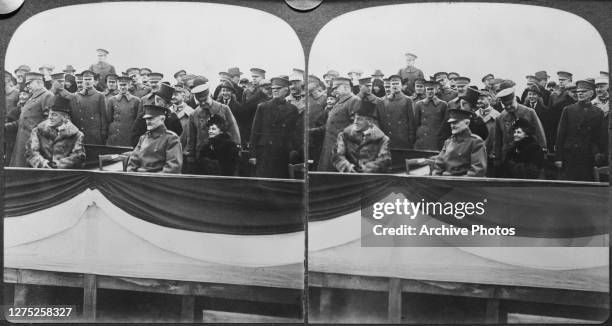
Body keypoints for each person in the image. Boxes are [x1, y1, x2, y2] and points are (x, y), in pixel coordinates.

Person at [555, 80, 607, 181]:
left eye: (583, 91)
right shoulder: (568, 110)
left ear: (591, 93)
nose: (580, 93)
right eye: (578, 91)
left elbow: (599, 137)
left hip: (587, 156)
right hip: (569, 155)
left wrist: (598, 154)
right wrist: (558, 158)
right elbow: (560, 135)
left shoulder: (598, 112)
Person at [186, 78, 240, 173]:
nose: (202, 103)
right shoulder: (194, 115)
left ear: (210, 95)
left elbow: (234, 131)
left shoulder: (223, 109)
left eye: (205, 100)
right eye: (200, 102)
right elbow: (191, 138)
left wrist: (236, 151)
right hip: (202, 159)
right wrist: (191, 158)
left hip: (223, 159)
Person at [249, 77, 299, 178]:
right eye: (273, 88)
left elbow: (293, 133)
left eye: (279, 88)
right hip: (265, 152)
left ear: (286, 90)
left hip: (282, 152)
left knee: (280, 182)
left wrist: (293, 150)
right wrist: (252, 155)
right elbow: (254, 132)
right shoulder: (263, 107)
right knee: (264, 181)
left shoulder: (292, 109)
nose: (275, 90)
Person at [494, 84, 547, 169]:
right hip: (508, 159)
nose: (508, 107)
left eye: (510, 104)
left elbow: (539, 133)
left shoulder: (529, 112)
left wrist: (543, 150)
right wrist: (497, 158)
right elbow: (497, 141)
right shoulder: (500, 118)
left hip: (528, 158)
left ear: (515, 99)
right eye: (505, 105)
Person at [9, 72, 55, 167]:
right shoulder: (32, 97)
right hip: (22, 142)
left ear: (39, 83)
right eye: (26, 84)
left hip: (33, 144)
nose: (27, 86)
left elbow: (49, 121)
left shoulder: (47, 96)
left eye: (29, 83)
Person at [25, 96, 85, 169]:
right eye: (49, 114)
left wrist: (58, 165)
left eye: (54, 114)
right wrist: (44, 164)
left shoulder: (77, 135)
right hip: (41, 173)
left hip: (65, 176)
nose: (50, 117)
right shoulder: (38, 131)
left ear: (65, 117)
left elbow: (78, 157)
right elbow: (31, 152)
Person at [333, 101, 391, 173]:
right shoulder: (344, 135)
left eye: (359, 119)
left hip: (372, 178)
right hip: (348, 177)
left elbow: (384, 160)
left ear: (370, 121)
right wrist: (349, 168)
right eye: (354, 118)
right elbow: (337, 156)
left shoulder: (382, 139)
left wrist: (366, 169)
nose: (355, 122)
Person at [317, 76, 361, 171]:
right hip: (330, 148)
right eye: (333, 89)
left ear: (346, 87)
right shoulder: (339, 102)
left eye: (336, 88)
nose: (334, 91)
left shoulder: (354, 100)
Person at [127, 105, 182, 174]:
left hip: (158, 181)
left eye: (151, 119)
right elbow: (133, 162)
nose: (148, 122)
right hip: (139, 179)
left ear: (162, 119)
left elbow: (173, 167)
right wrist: (132, 176)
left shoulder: (171, 138)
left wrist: (151, 179)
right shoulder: (143, 138)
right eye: (146, 119)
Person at [58, 70, 108, 145]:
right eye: (85, 79)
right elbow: (72, 116)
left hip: (95, 135)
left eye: (90, 79)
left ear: (93, 81)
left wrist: (103, 132)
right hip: (80, 134)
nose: (87, 82)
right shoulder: (76, 96)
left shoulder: (100, 96)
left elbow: (103, 116)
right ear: (83, 81)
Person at [432, 108, 487, 177]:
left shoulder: (476, 142)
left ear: (467, 123)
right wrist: (436, 177)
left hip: (464, 183)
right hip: (446, 181)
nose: (452, 126)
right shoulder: (448, 142)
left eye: (456, 122)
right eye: (451, 123)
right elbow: (439, 164)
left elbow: (477, 170)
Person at [379, 74, 416, 150]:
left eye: (397, 84)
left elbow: (411, 122)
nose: (395, 86)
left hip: (403, 140)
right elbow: (382, 121)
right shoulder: (384, 101)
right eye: (393, 84)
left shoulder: (407, 100)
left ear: (401, 85)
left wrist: (411, 140)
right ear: (390, 86)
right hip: (388, 139)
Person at [106, 76, 140, 146]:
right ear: (117, 85)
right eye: (120, 85)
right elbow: (109, 119)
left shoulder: (136, 100)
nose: (122, 87)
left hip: (129, 135)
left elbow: (137, 120)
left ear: (129, 85)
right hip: (115, 135)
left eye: (124, 85)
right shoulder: (112, 100)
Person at [414, 80, 448, 150]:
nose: (430, 91)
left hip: (437, 137)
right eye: (428, 89)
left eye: (432, 89)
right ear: (425, 90)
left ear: (435, 90)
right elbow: (416, 123)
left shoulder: (443, 104)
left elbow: (445, 123)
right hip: (423, 138)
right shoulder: (419, 104)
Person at [547, 71, 574, 151]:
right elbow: (550, 114)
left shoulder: (573, 93)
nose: (561, 81)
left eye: (563, 80)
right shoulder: (554, 94)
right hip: (556, 124)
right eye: (560, 80)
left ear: (570, 80)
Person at [475, 90, 500, 176]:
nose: (479, 101)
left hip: (491, 154)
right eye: (478, 99)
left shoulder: (497, 116)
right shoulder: (475, 115)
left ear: (489, 99)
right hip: (476, 154)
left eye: (482, 99)